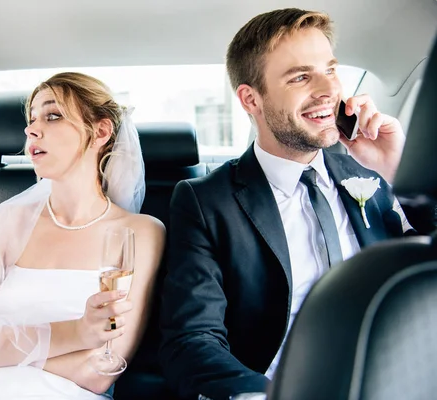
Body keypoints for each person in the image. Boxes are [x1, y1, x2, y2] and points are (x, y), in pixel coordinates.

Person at [159, 8, 416, 400]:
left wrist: (403, 175)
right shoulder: (206, 202)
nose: (327, 90)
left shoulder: (372, 167)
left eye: (330, 69)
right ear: (251, 100)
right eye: (300, 77)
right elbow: (192, 341)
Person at [0, 72, 166, 400]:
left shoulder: (140, 233)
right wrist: (76, 333)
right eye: (31, 118)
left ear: (101, 131)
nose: (31, 129)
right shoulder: (3, 222)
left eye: (53, 115)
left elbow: (101, 370)